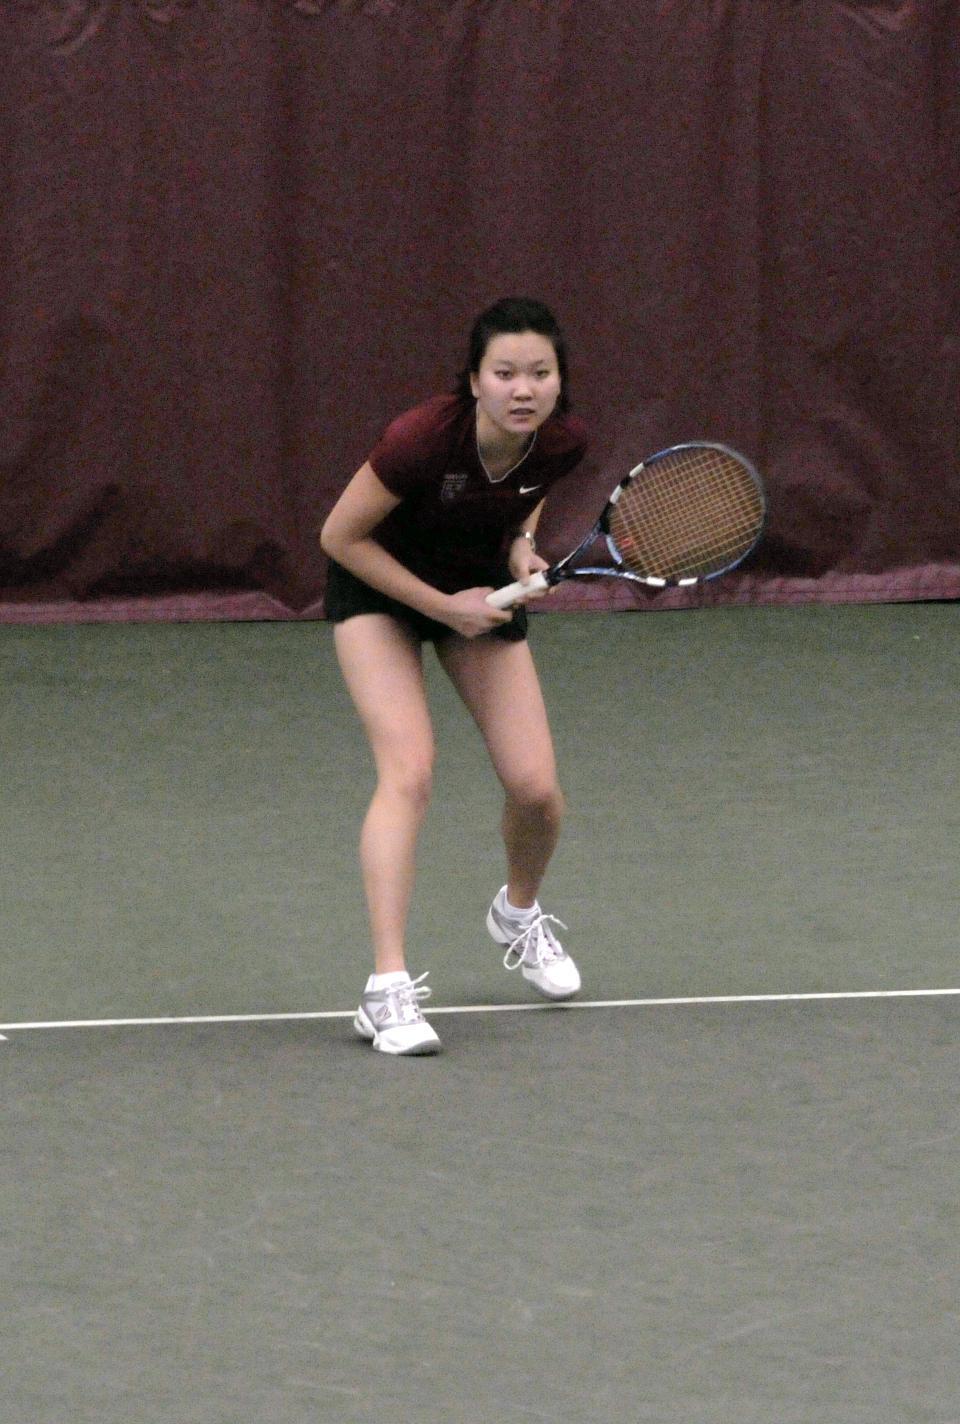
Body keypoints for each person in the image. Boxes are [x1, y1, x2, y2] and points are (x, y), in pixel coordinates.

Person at [320, 297, 589, 1055]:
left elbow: (527, 497)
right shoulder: (419, 440)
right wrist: (443, 607)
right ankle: (386, 991)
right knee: (409, 771)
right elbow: (339, 536)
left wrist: (519, 547)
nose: (523, 389)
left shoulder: (562, 441)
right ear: (473, 380)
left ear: (559, 380)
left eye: (539, 373)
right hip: (379, 589)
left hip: (475, 586)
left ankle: (516, 913)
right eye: (504, 373)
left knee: (536, 789)